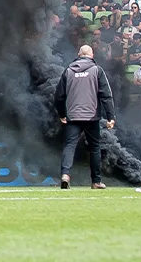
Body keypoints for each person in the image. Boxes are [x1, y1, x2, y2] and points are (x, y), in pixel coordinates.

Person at [53, 45, 116, 190]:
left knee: (69, 146)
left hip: (73, 116)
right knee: (94, 148)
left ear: (78, 54)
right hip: (91, 117)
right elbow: (106, 95)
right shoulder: (97, 70)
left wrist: (62, 114)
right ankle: (96, 182)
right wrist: (110, 116)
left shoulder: (68, 71)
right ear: (92, 55)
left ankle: (65, 175)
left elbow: (59, 96)